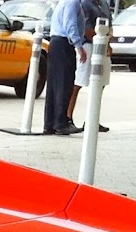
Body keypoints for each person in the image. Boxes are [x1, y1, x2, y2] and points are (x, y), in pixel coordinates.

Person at [67, 0, 111, 132]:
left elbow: (109, 26)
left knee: (101, 82)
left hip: (103, 45)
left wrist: (108, 42)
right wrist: (101, 37)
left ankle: (92, 118)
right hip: (88, 46)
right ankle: (68, 116)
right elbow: (86, 30)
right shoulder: (85, 4)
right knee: (79, 82)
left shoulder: (104, 4)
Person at [44, 0, 86, 135]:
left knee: (54, 85)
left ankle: (50, 123)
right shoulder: (72, 2)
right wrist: (79, 46)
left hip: (56, 43)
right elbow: (71, 24)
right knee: (64, 84)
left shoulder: (65, 2)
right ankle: (61, 123)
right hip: (63, 44)